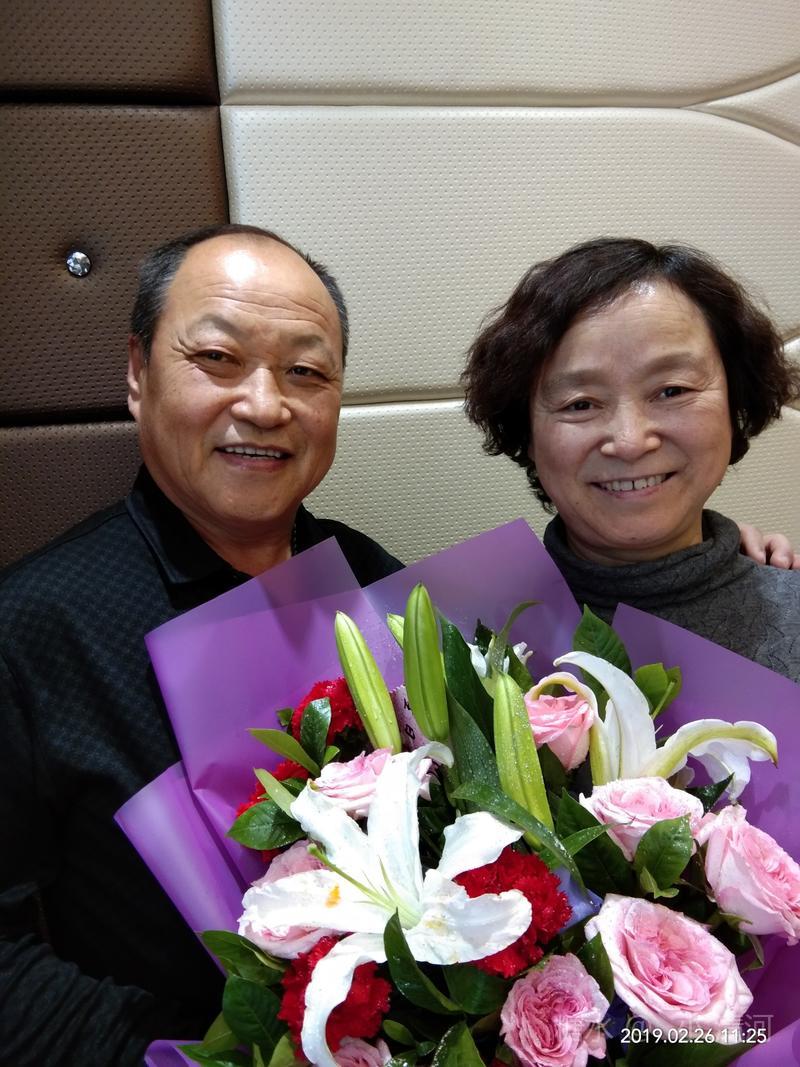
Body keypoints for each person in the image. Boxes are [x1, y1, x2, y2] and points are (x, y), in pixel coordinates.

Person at [0, 224, 402, 1066]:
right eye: (218, 358)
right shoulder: (32, 625)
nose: (265, 404)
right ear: (138, 373)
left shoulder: (379, 583)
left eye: (306, 372)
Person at [463, 236, 800, 681]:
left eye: (672, 390)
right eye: (580, 403)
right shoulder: (461, 638)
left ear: (734, 404)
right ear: (527, 434)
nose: (630, 441)